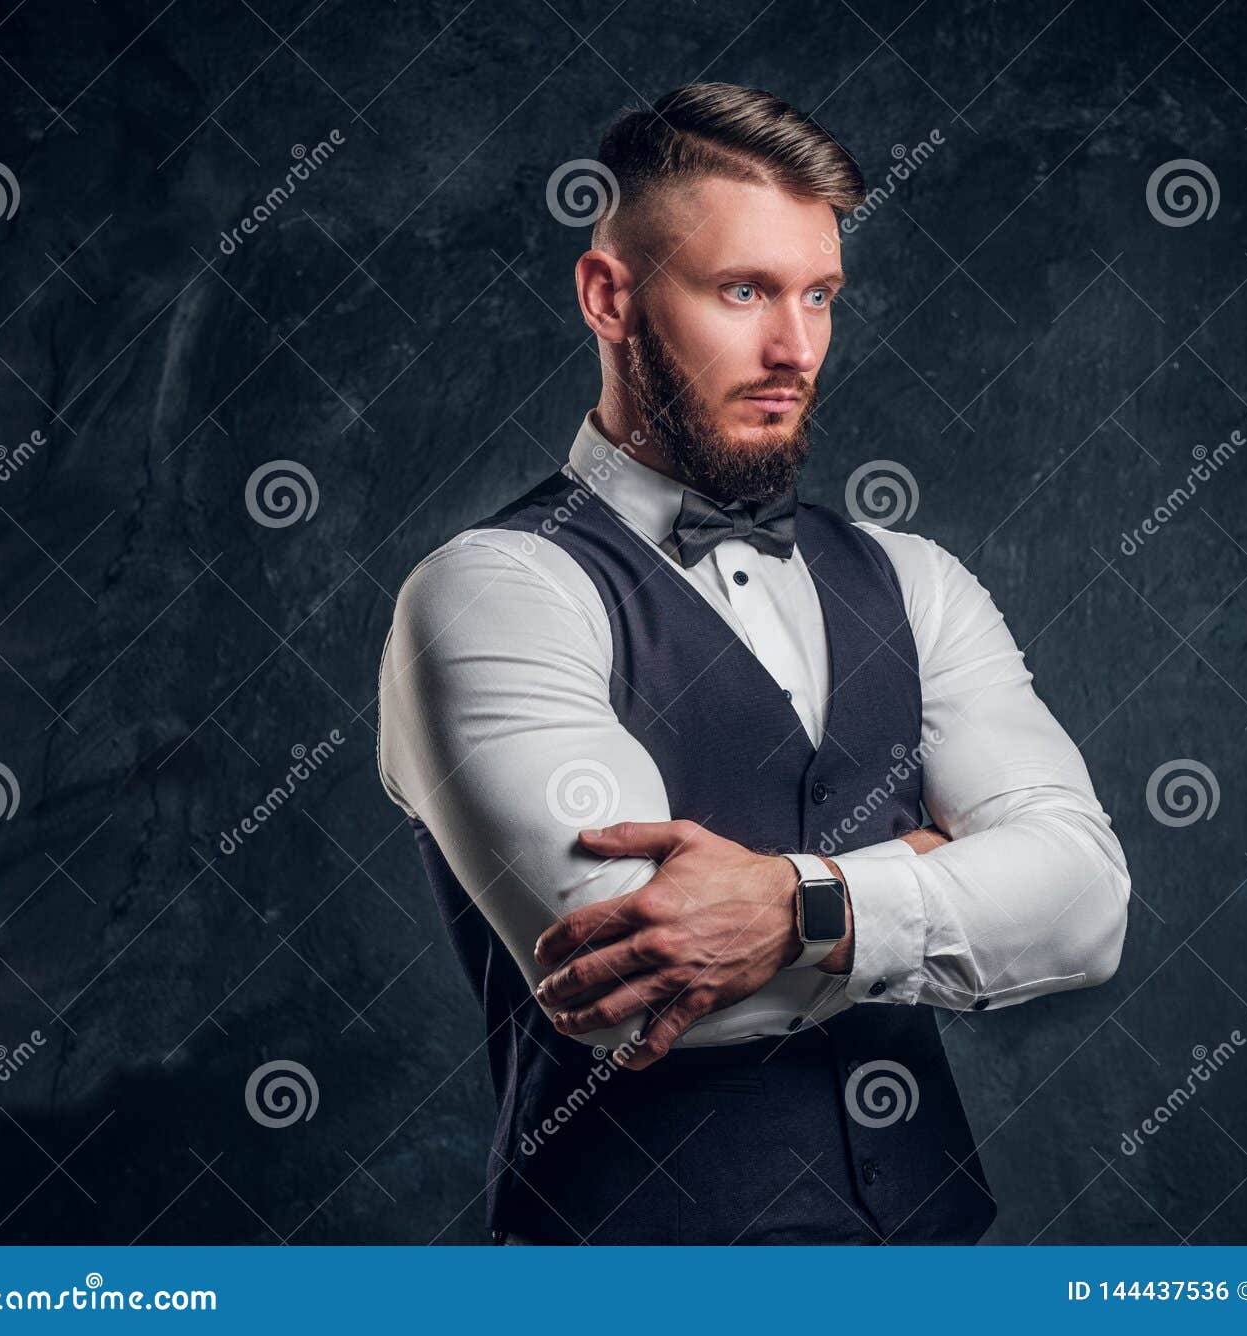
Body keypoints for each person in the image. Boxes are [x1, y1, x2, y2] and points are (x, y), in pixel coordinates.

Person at [375, 81, 1132, 1245]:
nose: (793, 348)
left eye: (818, 295)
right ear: (609, 296)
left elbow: (1083, 906)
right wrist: (945, 865)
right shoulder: (492, 590)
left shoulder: (912, 577)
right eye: (743, 291)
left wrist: (794, 901)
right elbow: (626, 980)